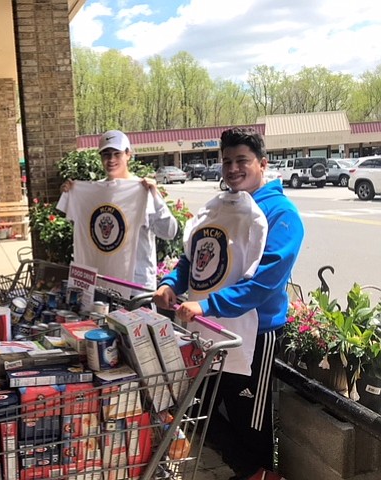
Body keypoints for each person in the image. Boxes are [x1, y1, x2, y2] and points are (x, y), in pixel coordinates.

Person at [153, 128, 305, 480]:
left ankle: (259, 471)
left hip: (253, 335)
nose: (233, 168)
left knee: (249, 418)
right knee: (193, 410)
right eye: (226, 161)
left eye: (242, 161)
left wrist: (208, 305)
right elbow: (195, 259)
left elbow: (267, 281)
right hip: (206, 332)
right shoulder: (223, 207)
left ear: (262, 164)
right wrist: (171, 284)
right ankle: (253, 472)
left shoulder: (281, 213)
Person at [56, 129, 178, 291]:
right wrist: (71, 193)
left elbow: (169, 232)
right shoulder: (94, 193)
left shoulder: (143, 189)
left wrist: (155, 197)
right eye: (106, 154)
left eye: (116, 154)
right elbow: (83, 228)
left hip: (136, 286)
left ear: (128, 154)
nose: (111, 159)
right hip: (102, 284)